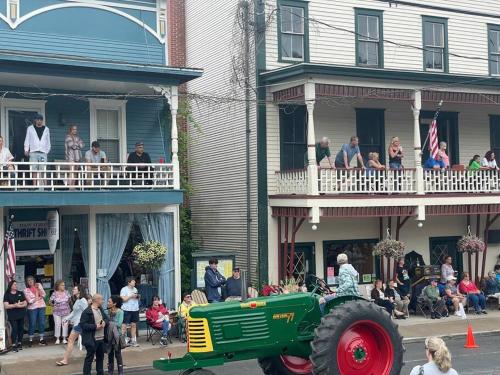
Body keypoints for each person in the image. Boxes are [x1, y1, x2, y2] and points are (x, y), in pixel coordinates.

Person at [56, 287, 90, 366]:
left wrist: (83, 323)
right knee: (87, 341)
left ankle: (65, 360)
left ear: (79, 291)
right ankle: (95, 355)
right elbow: (74, 313)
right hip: (79, 323)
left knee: (71, 340)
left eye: (74, 289)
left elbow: (86, 312)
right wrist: (66, 319)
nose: (73, 290)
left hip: (80, 324)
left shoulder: (83, 300)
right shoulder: (78, 300)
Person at [80, 294, 108, 375]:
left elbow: (106, 318)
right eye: (102, 299)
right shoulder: (87, 312)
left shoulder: (100, 309)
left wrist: (104, 323)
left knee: (100, 358)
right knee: (89, 358)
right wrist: (95, 326)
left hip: (101, 338)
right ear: (97, 300)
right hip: (92, 339)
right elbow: (83, 325)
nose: (103, 301)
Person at [24, 113, 51, 187]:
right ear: (35, 120)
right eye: (38, 119)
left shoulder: (46, 129)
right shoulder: (30, 128)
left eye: (41, 120)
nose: (39, 121)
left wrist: (47, 150)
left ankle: (45, 186)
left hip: (43, 153)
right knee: (34, 169)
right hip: (33, 152)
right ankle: (34, 186)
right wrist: (26, 149)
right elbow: (27, 139)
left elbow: (48, 141)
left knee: (43, 169)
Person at [3, 280, 27, 352]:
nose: (16, 286)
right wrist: (15, 305)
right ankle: (13, 344)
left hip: (21, 314)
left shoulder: (20, 293)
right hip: (12, 315)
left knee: (21, 329)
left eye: (16, 284)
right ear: (10, 286)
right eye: (14, 284)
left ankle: (19, 343)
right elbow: (6, 306)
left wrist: (19, 305)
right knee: (14, 329)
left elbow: (25, 303)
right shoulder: (7, 294)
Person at [24, 276, 47, 346]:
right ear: (27, 282)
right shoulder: (26, 290)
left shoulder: (38, 285)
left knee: (42, 323)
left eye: (31, 280)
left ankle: (41, 339)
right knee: (32, 323)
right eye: (28, 280)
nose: (30, 281)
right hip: (32, 308)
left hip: (41, 306)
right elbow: (30, 301)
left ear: (34, 280)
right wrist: (38, 298)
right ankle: (30, 339)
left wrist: (39, 289)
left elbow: (44, 295)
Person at [49, 279, 71, 344]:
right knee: (57, 324)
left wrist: (65, 305)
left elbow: (69, 299)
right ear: (58, 286)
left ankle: (64, 338)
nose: (64, 286)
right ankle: (57, 338)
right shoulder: (54, 293)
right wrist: (54, 306)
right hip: (56, 312)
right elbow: (50, 301)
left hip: (66, 311)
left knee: (65, 324)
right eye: (62, 285)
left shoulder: (67, 292)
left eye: (64, 285)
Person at [120, 276, 140, 347]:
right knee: (124, 325)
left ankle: (133, 341)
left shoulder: (135, 289)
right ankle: (122, 341)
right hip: (126, 309)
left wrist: (137, 296)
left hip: (135, 309)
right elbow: (123, 299)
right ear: (129, 282)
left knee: (134, 325)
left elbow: (137, 298)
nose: (135, 282)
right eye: (133, 281)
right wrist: (131, 296)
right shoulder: (124, 289)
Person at [107, 295, 124, 375]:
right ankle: (110, 371)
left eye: (109, 301)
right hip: (109, 335)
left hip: (117, 336)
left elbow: (119, 324)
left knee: (118, 353)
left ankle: (120, 371)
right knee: (110, 353)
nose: (108, 303)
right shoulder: (108, 311)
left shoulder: (120, 312)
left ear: (114, 303)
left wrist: (110, 323)